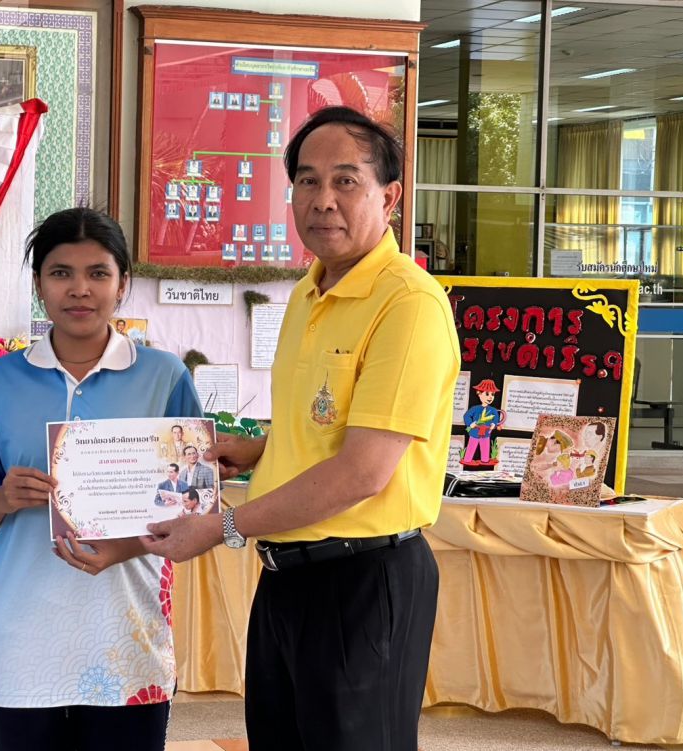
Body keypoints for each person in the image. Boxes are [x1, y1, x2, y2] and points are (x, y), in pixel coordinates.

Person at [143, 105, 460, 751]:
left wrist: (222, 526)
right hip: (288, 575)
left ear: (389, 196)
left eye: (346, 180)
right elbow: (328, 428)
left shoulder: (408, 304)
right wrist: (258, 448)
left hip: (363, 578)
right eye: (307, 181)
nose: (323, 200)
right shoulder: (307, 293)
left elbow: (363, 472)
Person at [0, 207, 202, 751]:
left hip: (128, 631)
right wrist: (2, 499)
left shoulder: (164, 376)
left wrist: (122, 548)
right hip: (23, 632)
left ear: (123, 283)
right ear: (39, 285)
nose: (80, 289)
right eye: (61, 273)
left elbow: (194, 510)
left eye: (98, 273)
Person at [461, 378, 505, 467]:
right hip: (475, 432)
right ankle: (467, 459)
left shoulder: (493, 410)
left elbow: (496, 419)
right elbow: (467, 416)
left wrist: (494, 424)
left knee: (485, 446)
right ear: (479, 393)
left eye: (492, 394)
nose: (490, 397)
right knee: (472, 445)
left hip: (486, 432)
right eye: (487, 394)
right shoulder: (475, 408)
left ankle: (485, 460)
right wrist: (470, 424)